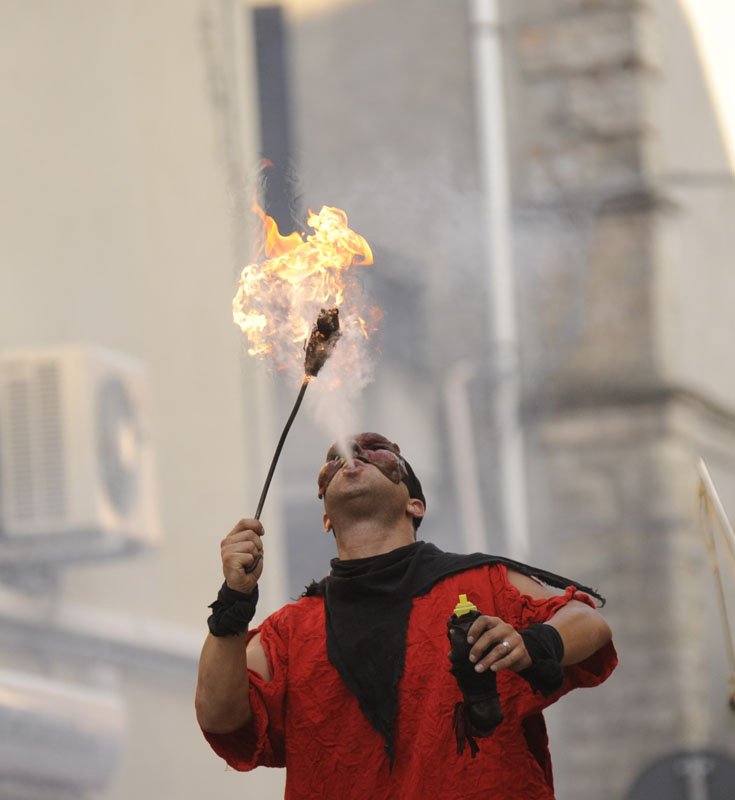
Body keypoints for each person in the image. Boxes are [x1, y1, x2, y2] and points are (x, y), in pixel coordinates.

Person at [196, 433, 617, 799]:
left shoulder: (482, 581)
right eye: (335, 459)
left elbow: (588, 621)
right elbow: (218, 715)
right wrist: (235, 598)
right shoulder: (289, 631)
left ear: (414, 504)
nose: (353, 455)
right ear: (326, 517)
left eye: (378, 450)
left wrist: (532, 643)